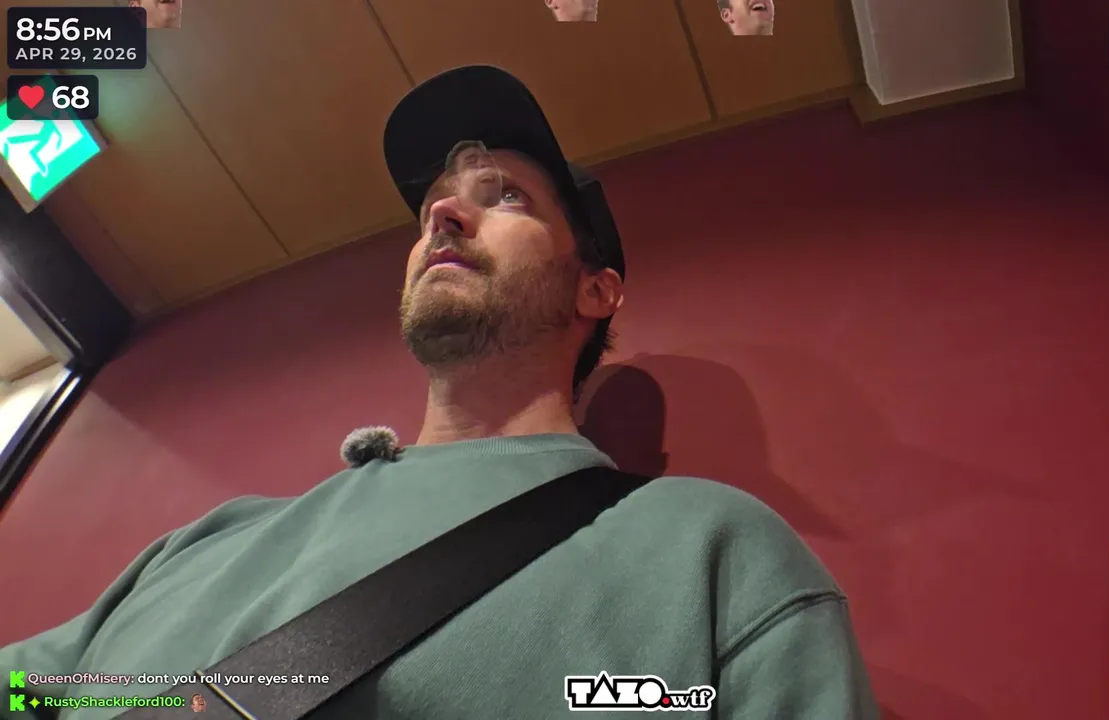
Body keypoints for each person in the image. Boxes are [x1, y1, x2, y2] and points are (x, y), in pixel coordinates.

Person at [0, 66, 879, 718]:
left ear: (596, 289)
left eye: (507, 197)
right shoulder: (206, 542)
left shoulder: (711, 553)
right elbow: (27, 689)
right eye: (438, 201)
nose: (442, 214)